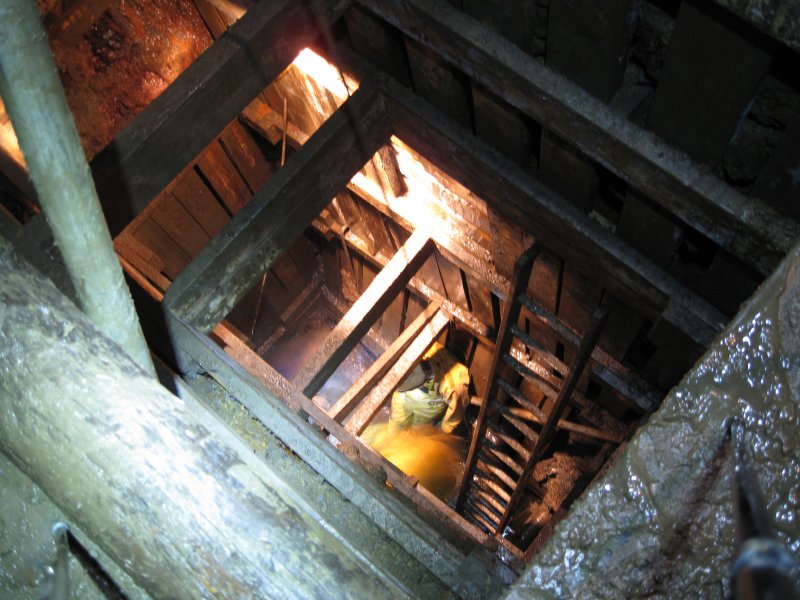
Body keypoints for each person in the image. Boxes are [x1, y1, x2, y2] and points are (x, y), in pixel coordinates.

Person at [390, 341, 470, 434]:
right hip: (405, 398)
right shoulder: (419, 347)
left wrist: (443, 428)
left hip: (430, 406)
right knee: (395, 430)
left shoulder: (453, 384)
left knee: (417, 432)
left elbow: (456, 410)